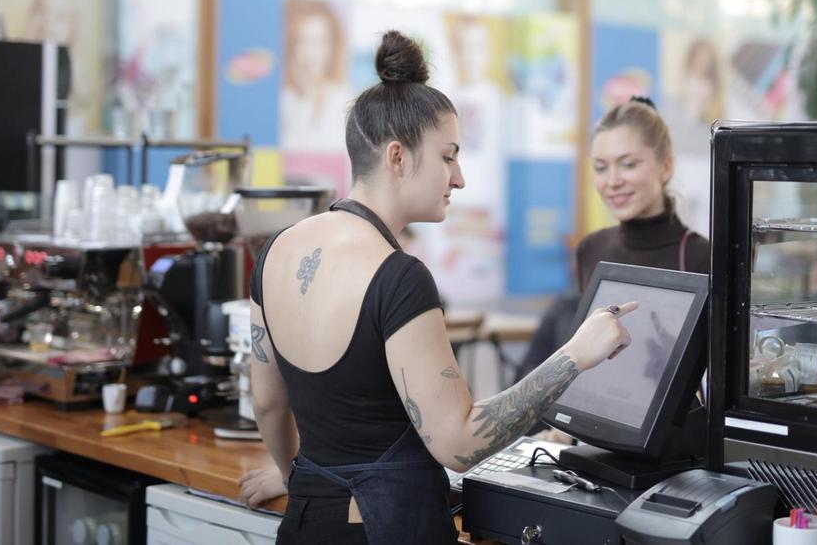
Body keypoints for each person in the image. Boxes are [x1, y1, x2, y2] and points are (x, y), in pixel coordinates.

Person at [245, 31, 637, 544]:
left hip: (307, 524)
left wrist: (292, 473)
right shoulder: (397, 277)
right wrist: (574, 357)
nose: (460, 177)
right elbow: (459, 442)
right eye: (448, 156)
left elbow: (269, 404)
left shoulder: (276, 251)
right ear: (397, 158)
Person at [516, 96, 709, 385]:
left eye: (628, 164)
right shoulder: (591, 249)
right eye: (601, 167)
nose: (612, 181)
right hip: (599, 420)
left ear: (666, 167)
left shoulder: (702, 257)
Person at [279, 0, 351, 151]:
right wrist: (306, 95)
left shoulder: (343, 99)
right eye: (303, 41)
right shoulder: (284, 100)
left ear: (332, 46)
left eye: (319, 41)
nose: (312, 53)